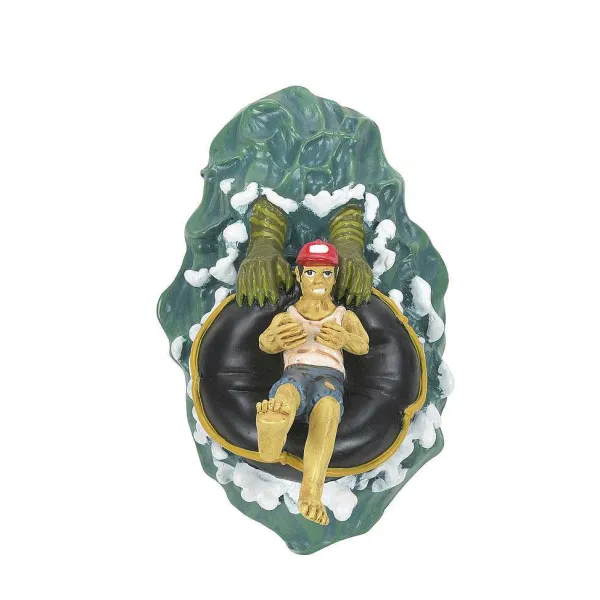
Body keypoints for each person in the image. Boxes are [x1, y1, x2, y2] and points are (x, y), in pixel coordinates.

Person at [257, 240, 370, 525]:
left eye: (326, 273)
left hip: (329, 379)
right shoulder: (287, 316)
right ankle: (271, 435)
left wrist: (345, 339)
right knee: (286, 395)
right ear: (298, 274)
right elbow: (265, 342)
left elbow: (363, 345)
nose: (318, 280)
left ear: (335, 276)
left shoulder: (344, 316)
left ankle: (310, 493)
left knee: (328, 409)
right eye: (310, 272)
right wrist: (277, 340)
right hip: (295, 372)